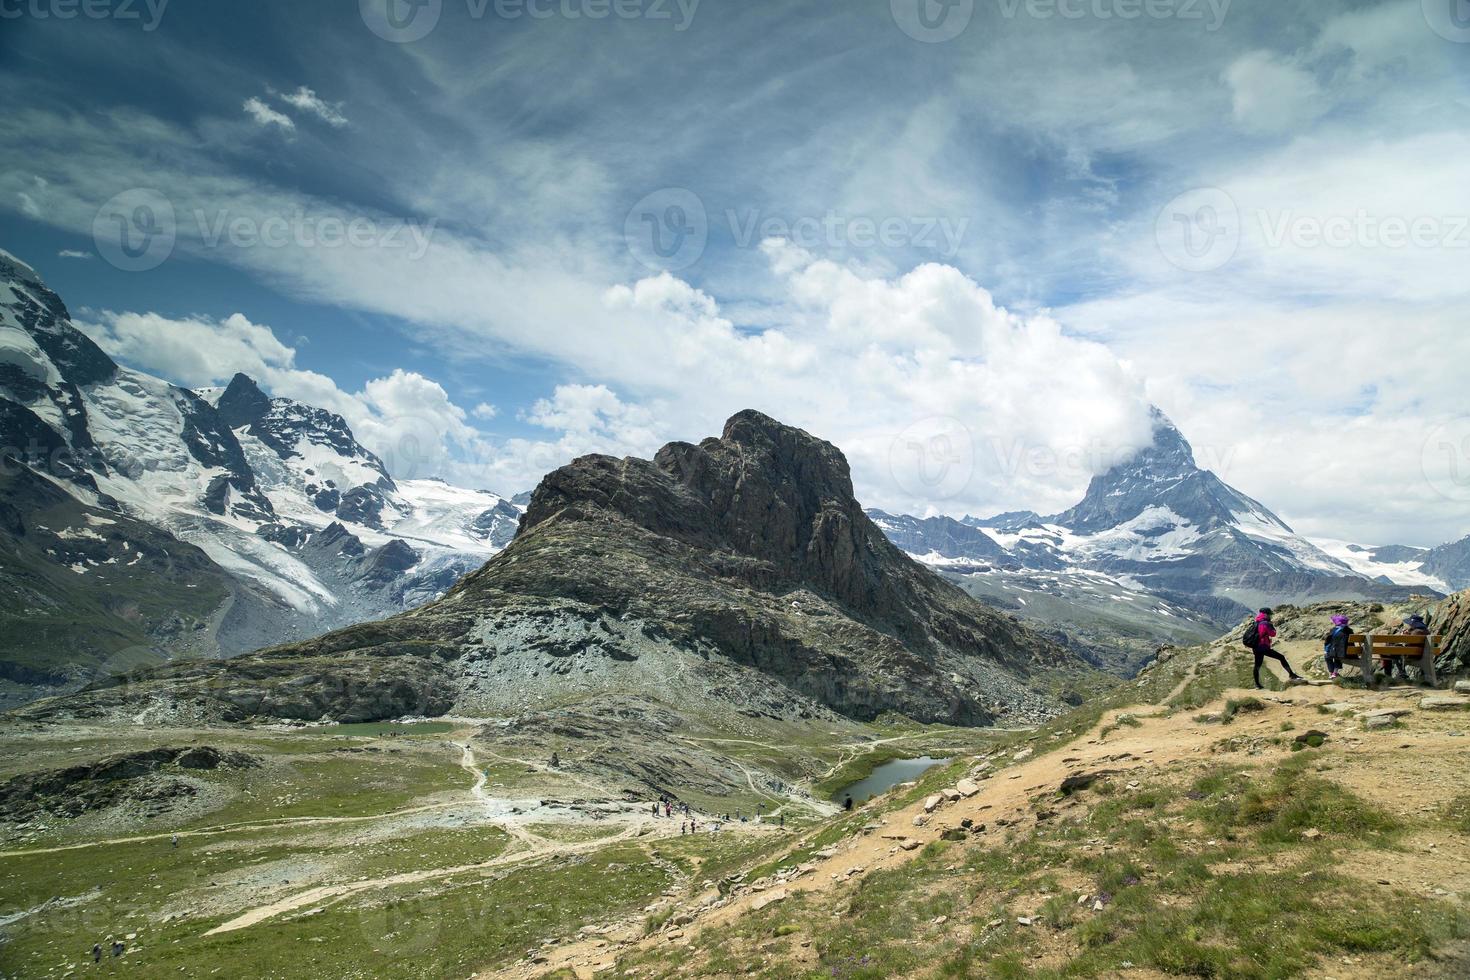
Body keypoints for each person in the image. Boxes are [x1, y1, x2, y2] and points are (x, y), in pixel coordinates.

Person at [1247, 608, 1302, 689]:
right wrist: (1271, 625)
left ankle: (1257, 684)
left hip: (1256, 647)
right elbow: (1273, 634)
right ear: (1266, 614)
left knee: (1257, 666)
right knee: (1281, 657)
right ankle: (1292, 675)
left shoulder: (1257, 622)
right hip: (1263, 647)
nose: (1270, 616)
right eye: (1270, 614)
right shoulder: (1265, 623)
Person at [1322, 615, 1351, 681]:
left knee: (1328, 656)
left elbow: (1328, 641)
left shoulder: (1334, 630)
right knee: (1339, 654)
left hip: (1340, 654)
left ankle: (1333, 672)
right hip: (1349, 653)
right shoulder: (1349, 630)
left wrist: (1326, 650)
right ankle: (1335, 672)